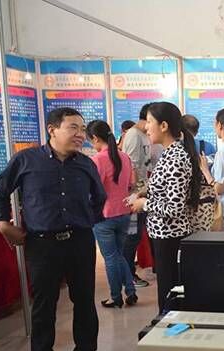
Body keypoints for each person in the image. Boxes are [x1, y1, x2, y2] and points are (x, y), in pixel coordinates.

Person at [0, 107, 106, 351]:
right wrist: (3, 223)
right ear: (52, 130)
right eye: (73, 127)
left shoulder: (86, 164)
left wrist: (85, 221)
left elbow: (99, 198)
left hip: (79, 241)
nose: (80, 134)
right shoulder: (26, 160)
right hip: (42, 244)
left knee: (84, 299)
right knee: (44, 303)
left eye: (82, 129)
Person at [130, 102, 206, 313]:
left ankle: (169, 325)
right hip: (163, 235)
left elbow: (174, 208)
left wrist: (144, 204)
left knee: (169, 290)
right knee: (167, 288)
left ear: (163, 126)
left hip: (170, 236)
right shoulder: (169, 153)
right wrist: (147, 192)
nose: (146, 127)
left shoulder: (176, 157)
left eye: (149, 122)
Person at [87, 120, 137, 309]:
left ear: (95, 138)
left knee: (110, 257)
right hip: (125, 212)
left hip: (104, 216)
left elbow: (94, 190)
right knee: (119, 255)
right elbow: (131, 184)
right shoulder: (124, 157)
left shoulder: (97, 160)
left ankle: (116, 297)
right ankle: (130, 291)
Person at [121, 103, 152, 288]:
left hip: (142, 192)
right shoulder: (133, 134)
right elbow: (130, 165)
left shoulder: (143, 135)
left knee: (136, 235)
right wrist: (136, 194)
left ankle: (129, 273)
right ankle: (128, 276)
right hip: (135, 194)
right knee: (131, 236)